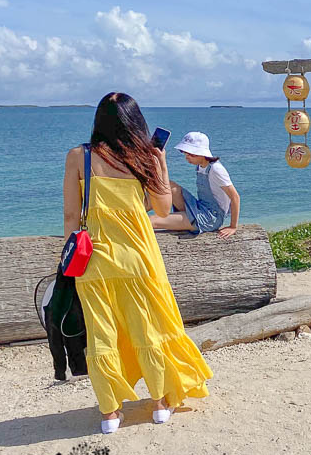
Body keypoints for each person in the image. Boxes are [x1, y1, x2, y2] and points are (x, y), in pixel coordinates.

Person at [63, 93, 212, 434]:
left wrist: (70, 259)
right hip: (140, 257)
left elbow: (72, 215)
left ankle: (110, 413)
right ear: (136, 123)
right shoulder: (143, 157)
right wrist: (160, 163)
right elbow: (162, 209)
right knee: (149, 329)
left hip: (95, 260)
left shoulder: (78, 157)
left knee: (101, 334)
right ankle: (159, 404)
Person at [148, 132, 240, 238]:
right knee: (168, 185)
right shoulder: (201, 166)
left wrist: (233, 226)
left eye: (191, 154)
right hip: (199, 207)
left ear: (202, 153)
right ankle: (134, 212)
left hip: (210, 218)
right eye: (185, 153)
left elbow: (235, 197)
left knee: (151, 220)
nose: (187, 157)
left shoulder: (216, 169)